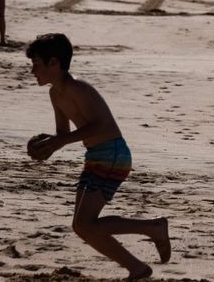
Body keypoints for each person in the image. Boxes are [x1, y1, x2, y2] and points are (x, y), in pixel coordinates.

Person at [25, 34, 171, 280]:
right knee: (82, 227)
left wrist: (59, 141)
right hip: (96, 156)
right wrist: (48, 145)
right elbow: (64, 133)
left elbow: (101, 126)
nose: (32, 71)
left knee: (84, 225)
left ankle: (152, 231)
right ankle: (140, 262)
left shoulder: (77, 88)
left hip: (113, 154)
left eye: (36, 64)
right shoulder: (55, 94)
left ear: (54, 63)